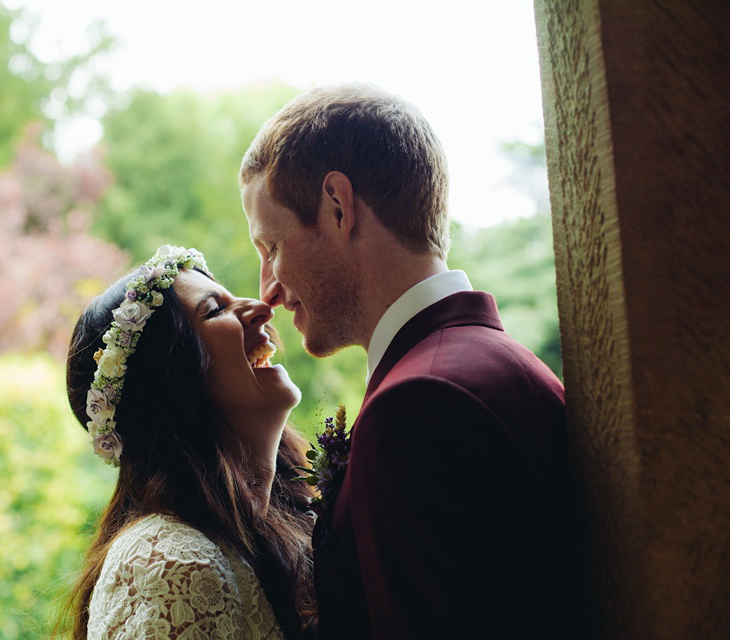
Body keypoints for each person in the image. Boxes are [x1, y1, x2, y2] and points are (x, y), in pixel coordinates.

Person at [239, 84, 577, 639]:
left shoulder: (420, 407)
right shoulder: (486, 363)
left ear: (338, 207)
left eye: (270, 248)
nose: (267, 290)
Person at [61, 245, 316, 640]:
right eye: (215, 310)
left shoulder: (290, 520)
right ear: (169, 383)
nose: (262, 307)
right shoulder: (166, 561)